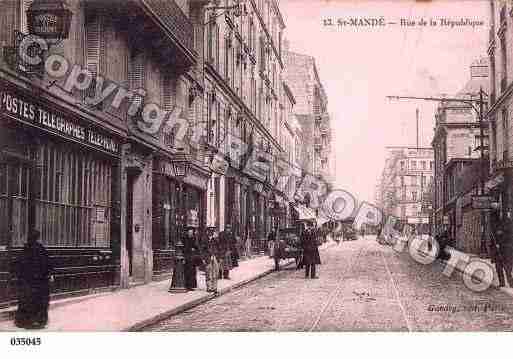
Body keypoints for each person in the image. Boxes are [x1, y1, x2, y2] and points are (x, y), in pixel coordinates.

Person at [15, 229, 54, 329]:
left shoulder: (25, 249)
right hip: (40, 281)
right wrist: (49, 275)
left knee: (26, 300)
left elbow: (19, 265)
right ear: (38, 238)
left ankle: (24, 321)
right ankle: (39, 321)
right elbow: (47, 264)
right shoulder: (41, 249)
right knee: (40, 301)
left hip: (27, 281)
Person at [202, 227, 219, 293]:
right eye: (209, 232)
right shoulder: (204, 240)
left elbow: (218, 248)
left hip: (214, 257)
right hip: (208, 258)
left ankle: (214, 287)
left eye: (212, 232)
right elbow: (202, 250)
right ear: (207, 233)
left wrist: (217, 257)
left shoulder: (215, 240)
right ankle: (209, 287)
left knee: (215, 273)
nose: (211, 234)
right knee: (208, 273)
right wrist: (203, 258)